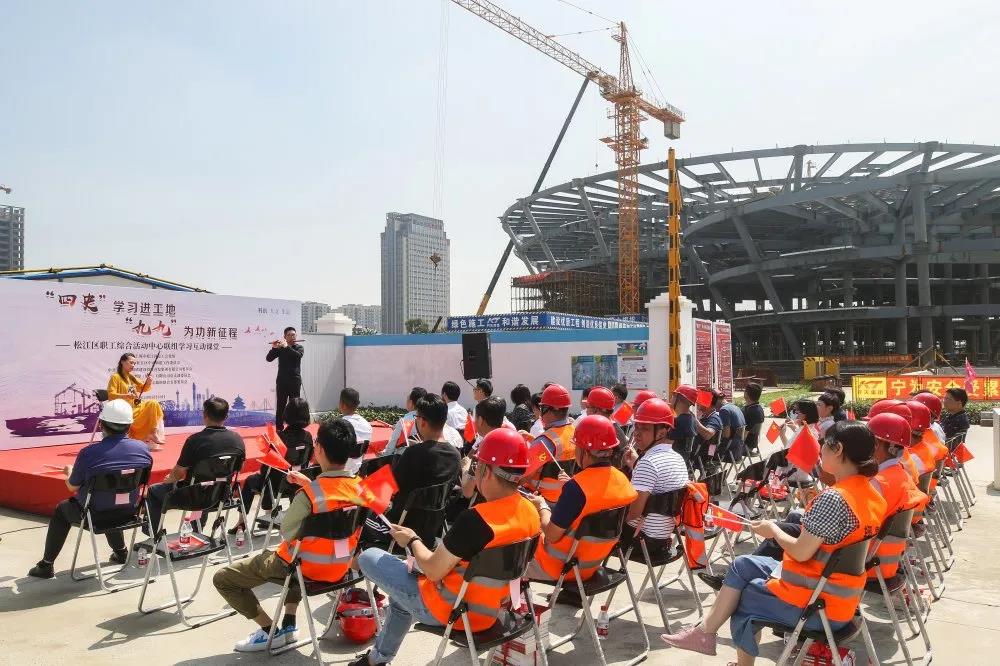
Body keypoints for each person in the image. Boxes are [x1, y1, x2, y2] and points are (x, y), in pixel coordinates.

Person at [661, 421, 886, 664]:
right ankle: (704, 632)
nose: (820, 449)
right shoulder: (872, 494)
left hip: (818, 604)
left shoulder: (834, 498)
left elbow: (801, 552)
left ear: (838, 449)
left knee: (744, 597)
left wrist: (774, 531)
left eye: (823, 444)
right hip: (839, 596)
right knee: (742, 565)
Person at [352, 428, 541, 666]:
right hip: (493, 609)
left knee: (369, 557)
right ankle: (376, 659)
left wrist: (412, 540)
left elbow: (432, 571)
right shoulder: (531, 511)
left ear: (486, 470)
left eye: (476, 467)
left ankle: (377, 658)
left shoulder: (476, 520)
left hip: (451, 610)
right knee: (400, 598)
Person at [213, 419, 362, 652]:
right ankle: (289, 623)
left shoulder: (309, 495)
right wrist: (311, 485)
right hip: (340, 568)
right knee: (298, 557)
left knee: (223, 578)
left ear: (319, 449)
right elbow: (334, 500)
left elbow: (288, 532)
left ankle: (269, 630)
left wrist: (309, 490)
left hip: (304, 569)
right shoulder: (362, 488)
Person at [28, 399, 153, 579]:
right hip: (129, 512)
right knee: (115, 497)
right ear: (129, 425)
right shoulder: (143, 449)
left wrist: (69, 472)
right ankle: (121, 552)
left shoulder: (89, 453)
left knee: (62, 510)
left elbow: (72, 486)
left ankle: (46, 565)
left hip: (95, 514)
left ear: (101, 424)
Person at [526, 415, 638, 593]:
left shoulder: (576, 488)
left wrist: (541, 506)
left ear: (584, 451)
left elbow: (552, 535)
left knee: (510, 557)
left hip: (558, 567)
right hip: (593, 563)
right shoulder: (622, 479)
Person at [361, 394, 461, 549]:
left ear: (422, 421)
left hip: (399, 529)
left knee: (362, 503)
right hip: (430, 531)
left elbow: (387, 490)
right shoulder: (455, 456)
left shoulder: (413, 454)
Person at [144, 397, 246, 535]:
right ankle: (197, 531)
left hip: (193, 496)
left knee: (154, 491)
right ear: (226, 416)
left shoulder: (195, 440)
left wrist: (169, 479)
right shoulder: (237, 439)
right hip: (222, 495)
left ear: (204, 415)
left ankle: (153, 534)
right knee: (206, 483)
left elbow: (178, 473)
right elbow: (240, 467)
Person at [621, 399, 687, 561]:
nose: (636, 433)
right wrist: (635, 464)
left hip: (640, 541)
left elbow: (633, 514)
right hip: (664, 538)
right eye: (636, 426)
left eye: (645, 428)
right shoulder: (677, 458)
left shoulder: (648, 463)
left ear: (662, 433)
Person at [235, 397, 313, 532]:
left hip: (278, 485)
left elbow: (266, 468)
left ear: (287, 414)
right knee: (270, 477)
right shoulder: (308, 437)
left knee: (251, 480)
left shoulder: (279, 437)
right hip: (298, 481)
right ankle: (271, 514)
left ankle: (241, 522)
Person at [867, 413, 928, 582]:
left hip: (866, 564)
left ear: (877, 445)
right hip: (889, 561)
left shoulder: (877, 483)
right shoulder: (901, 474)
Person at [524, 384, 576, 505]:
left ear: (547, 409)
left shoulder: (546, 440)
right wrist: (534, 441)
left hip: (544, 500)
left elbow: (524, 476)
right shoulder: (574, 431)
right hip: (568, 496)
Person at [106, 352, 166, 448]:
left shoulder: (131, 376)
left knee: (153, 403)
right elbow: (111, 395)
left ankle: (152, 433)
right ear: (122, 362)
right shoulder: (115, 377)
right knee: (150, 405)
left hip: (136, 406)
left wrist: (149, 381)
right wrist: (126, 396)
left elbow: (143, 388)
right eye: (131, 362)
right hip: (124, 410)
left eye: (134, 363)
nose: (133, 365)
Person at [266, 327, 304, 431]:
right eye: (289, 335)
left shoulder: (299, 347)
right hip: (282, 381)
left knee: (295, 405)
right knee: (281, 405)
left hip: (295, 381)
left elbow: (297, 356)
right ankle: (279, 428)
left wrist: (286, 347)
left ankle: (294, 428)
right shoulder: (281, 348)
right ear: (285, 337)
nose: (292, 337)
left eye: (293, 335)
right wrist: (274, 348)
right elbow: (268, 359)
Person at [339, 387, 372, 473]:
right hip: (356, 473)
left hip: (338, 474)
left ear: (342, 404)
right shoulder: (367, 425)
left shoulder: (339, 425)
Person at [385, 387, 427, 455]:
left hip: (405, 457)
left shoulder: (404, 421)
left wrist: (384, 455)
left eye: (407, 399)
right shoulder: (429, 420)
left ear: (411, 402)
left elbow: (392, 444)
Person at [667, 384, 700, 463]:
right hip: (683, 462)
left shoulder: (679, 422)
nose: (671, 398)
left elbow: (666, 446)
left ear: (680, 399)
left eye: (673, 395)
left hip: (672, 463)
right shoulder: (692, 418)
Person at [717, 393, 747, 462]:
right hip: (738, 450)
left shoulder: (724, 410)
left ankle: (709, 464)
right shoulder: (735, 407)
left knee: (709, 448)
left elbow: (726, 435)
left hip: (730, 452)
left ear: (718, 400)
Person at [741, 383, 766, 454]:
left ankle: (713, 457)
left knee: (716, 442)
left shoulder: (750, 412)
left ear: (746, 394)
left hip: (744, 446)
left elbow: (743, 436)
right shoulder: (758, 408)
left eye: (745, 391)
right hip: (752, 444)